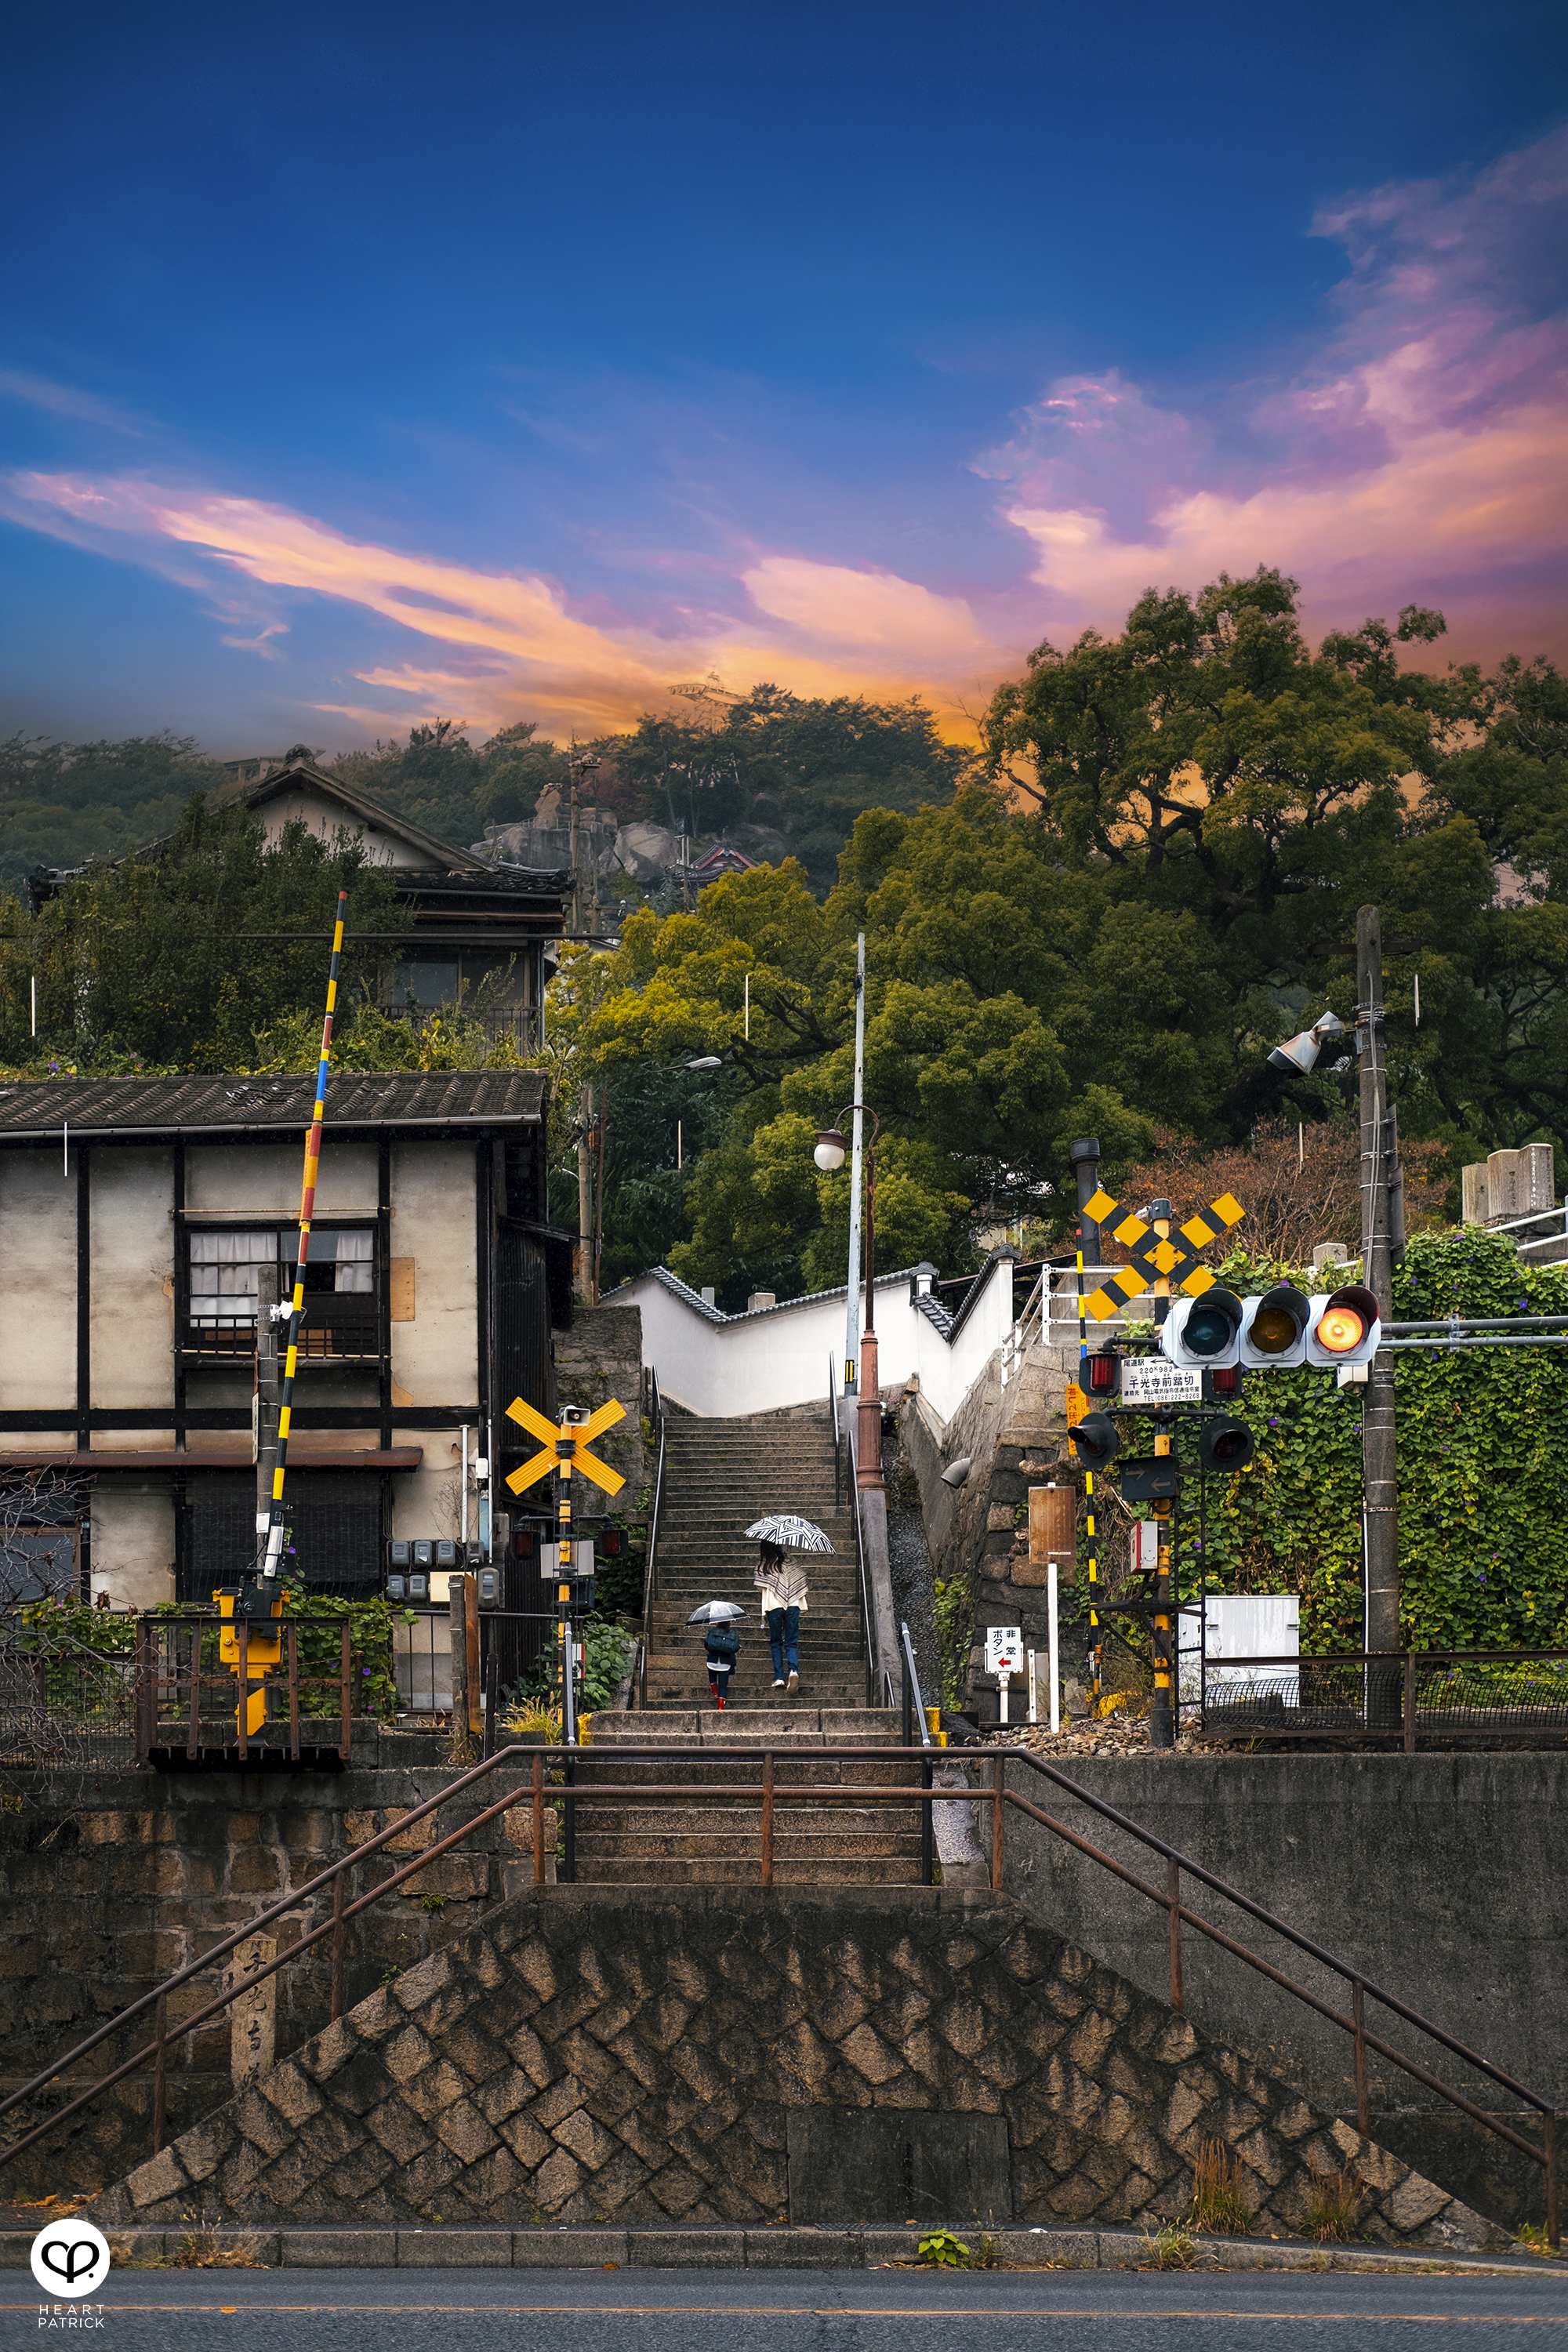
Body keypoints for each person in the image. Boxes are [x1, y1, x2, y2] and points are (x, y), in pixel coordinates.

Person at [754, 1539, 808, 1694]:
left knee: (776, 1642)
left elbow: (760, 1586)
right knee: (791, 1642)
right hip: (793, 1605)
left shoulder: (764, 1565)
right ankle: (793, 1671)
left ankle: (778, 1677)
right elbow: (802, 1579)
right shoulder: (792, 1562)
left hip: (774, 1606)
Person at [703, 1613, 739, 1708]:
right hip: (725, 1663)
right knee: (723, 1686)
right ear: (730, 1622)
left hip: (712, 1661)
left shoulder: (713, 1631)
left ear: (718, 1622)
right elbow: (735, 1648)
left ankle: (715, 1692)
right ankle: (720, 1707)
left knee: (712, 1677)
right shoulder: (734, 1634)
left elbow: (707, 1645)